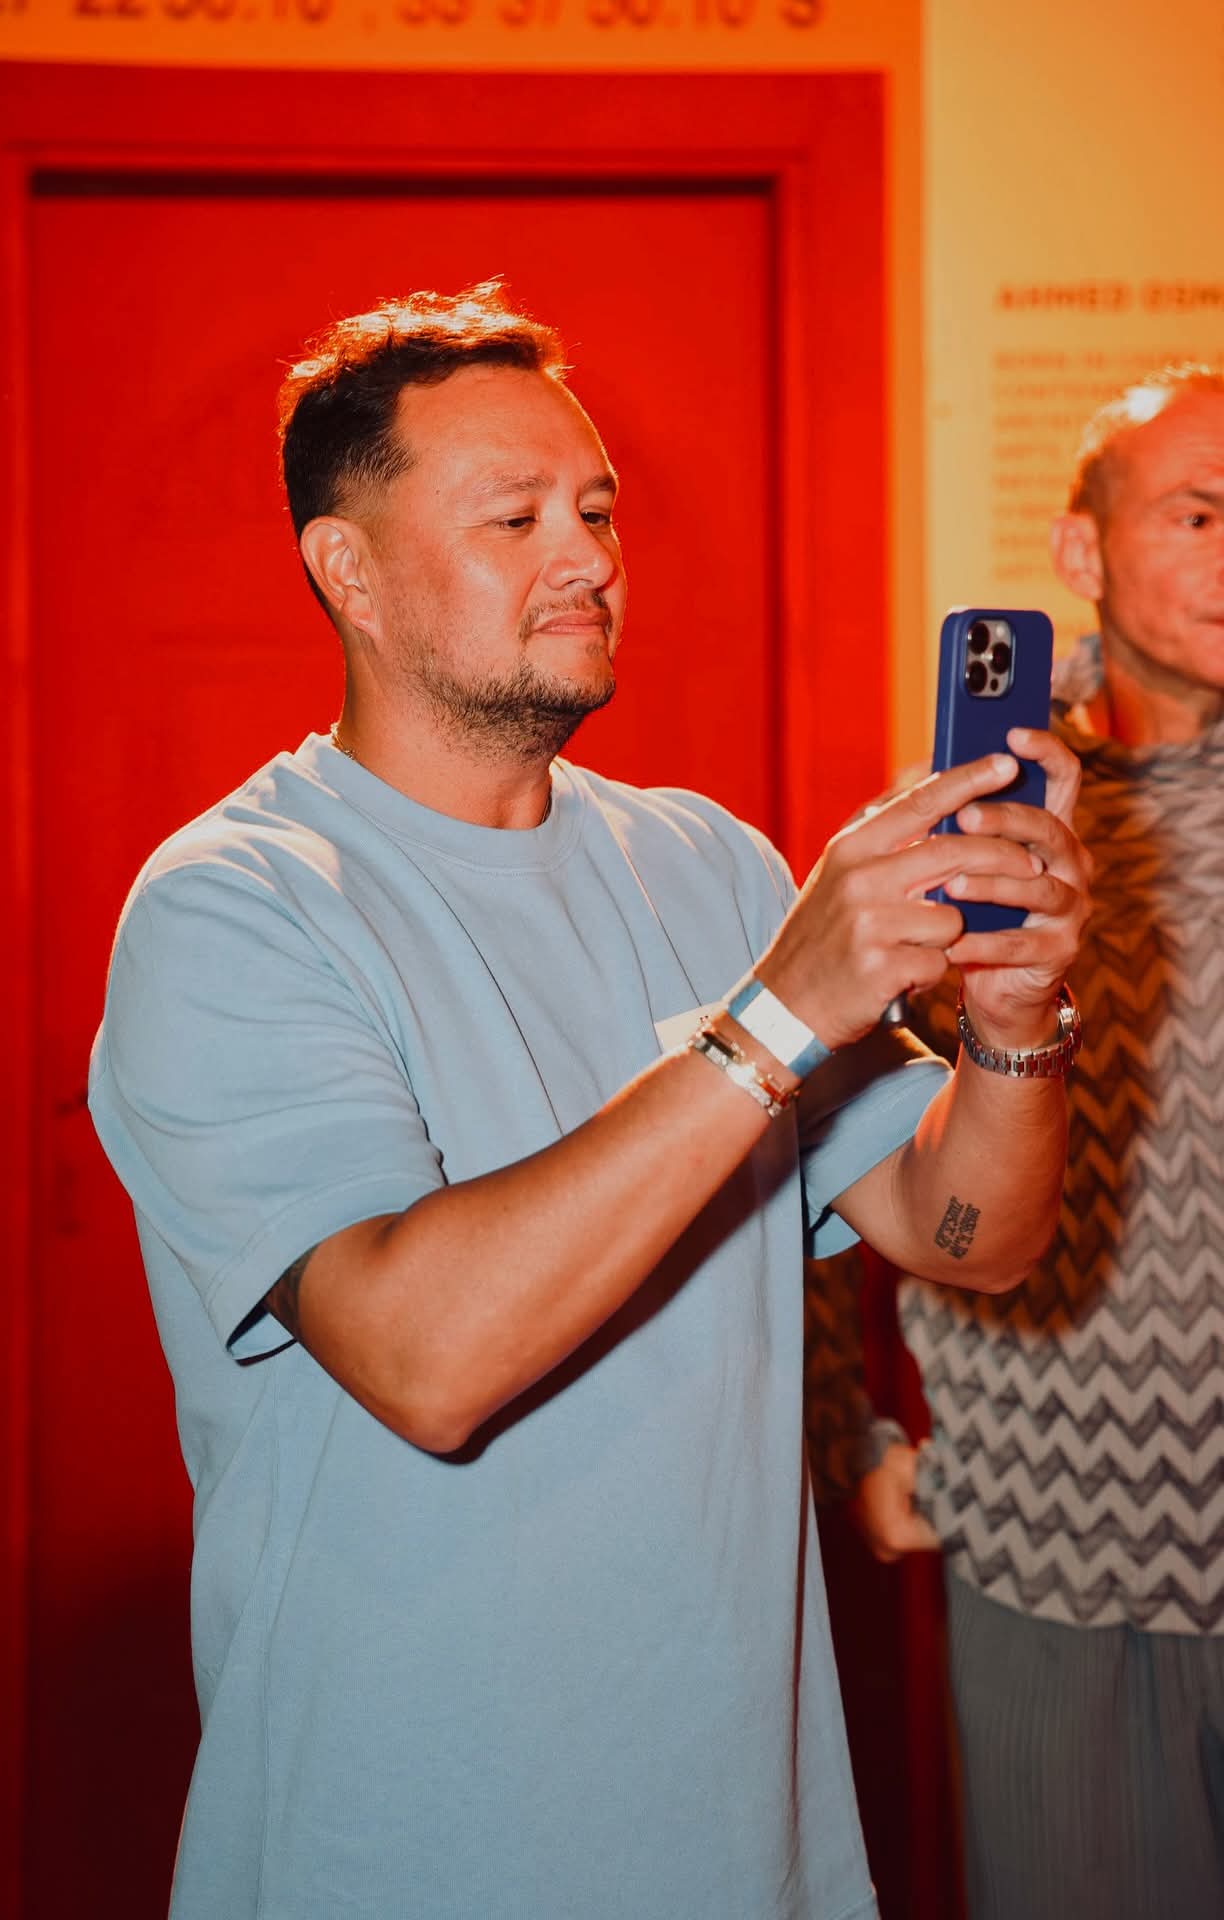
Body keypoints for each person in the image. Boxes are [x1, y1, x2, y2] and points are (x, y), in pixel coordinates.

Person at [88, 282, 1090, 1920]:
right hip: (402, 1846)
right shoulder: (236, 902)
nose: (590, 558)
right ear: (347, 569)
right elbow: (424, 1363)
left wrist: (1013, 1021)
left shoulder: (707, 862)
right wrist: (777, 1015)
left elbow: (965, 1231)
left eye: (599, 510)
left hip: (747, 1846)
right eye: (517, 518)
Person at [806, 364, 1224, 1920]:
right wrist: (845, 1432)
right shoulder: (967, 825)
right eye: (1199, 514)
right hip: (1056, 1546)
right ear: (1080, 552)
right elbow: (815, 1136)